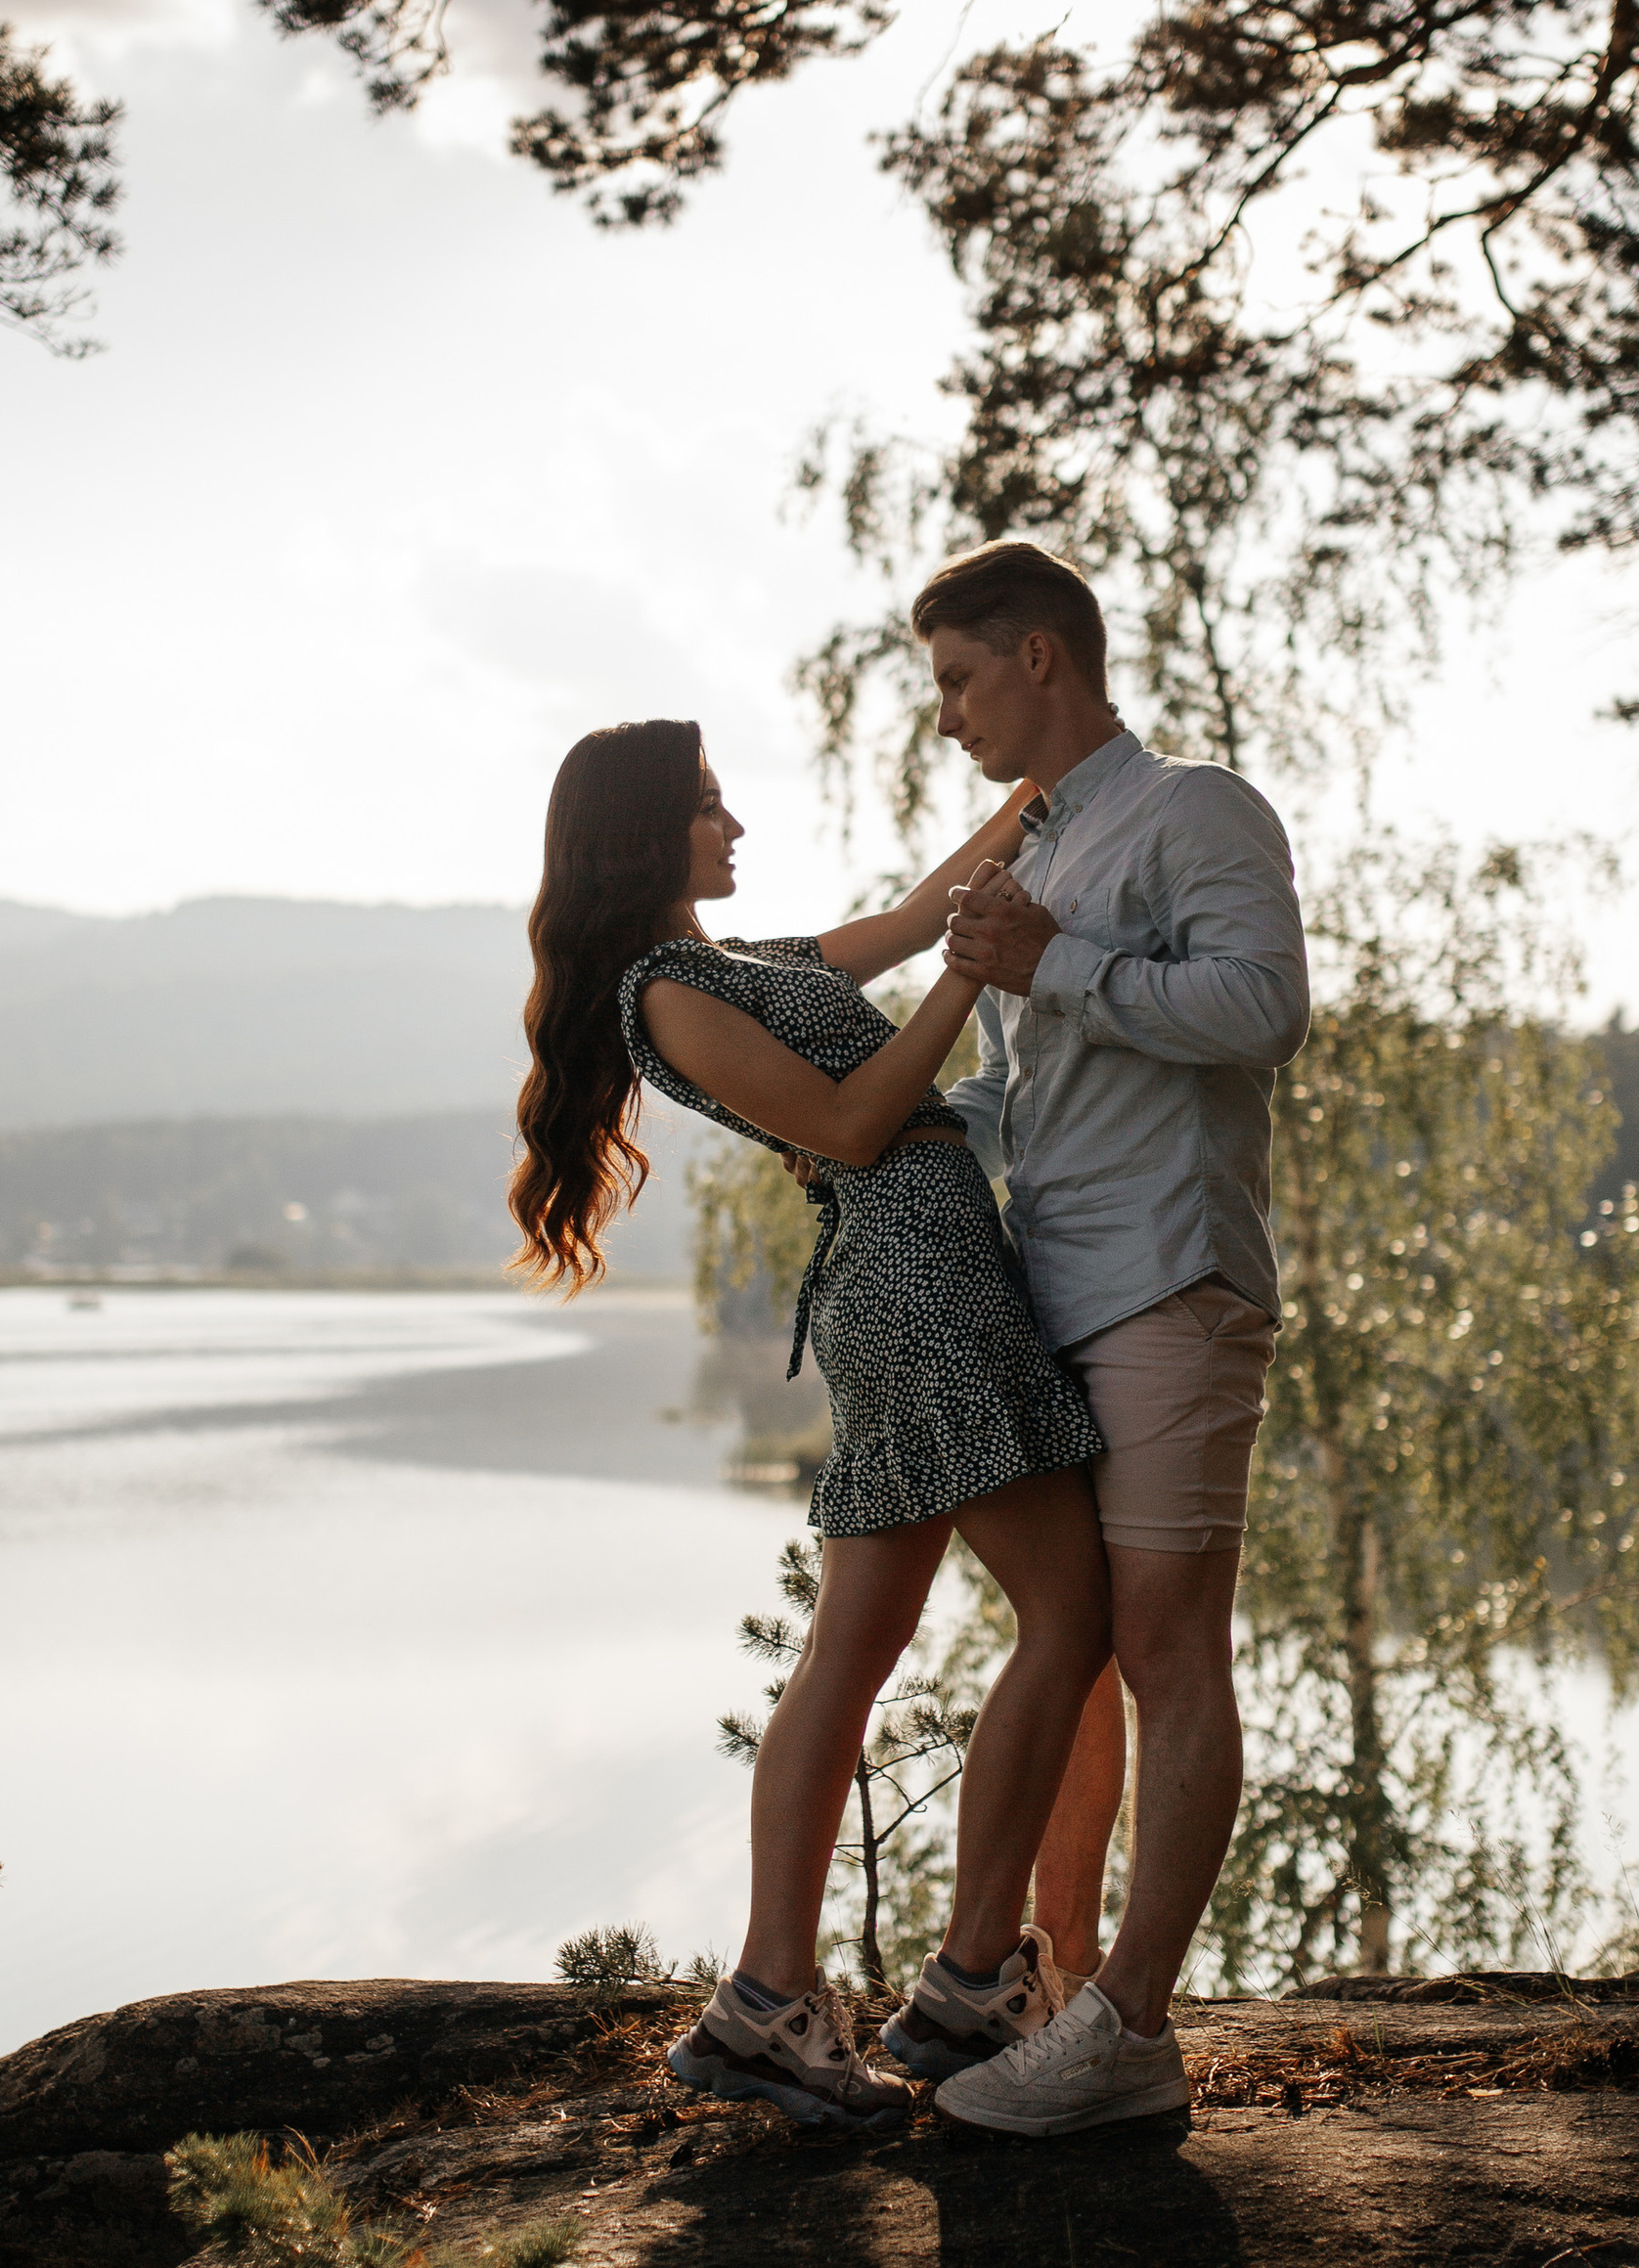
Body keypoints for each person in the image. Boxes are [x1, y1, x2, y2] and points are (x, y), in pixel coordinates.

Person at [508, 716, 1114, 2130]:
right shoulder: (666, 994)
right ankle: (969, 1978)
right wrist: (975, 970)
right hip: (915, 1293)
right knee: (1073, 1620)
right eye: (710, 809)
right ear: (644, 832)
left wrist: (1048, 788)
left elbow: (908, 920)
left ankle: (771, 2005)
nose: (734, 828)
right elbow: (846, 1125)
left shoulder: (745, 966)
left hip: (921, 1284)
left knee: (849, 1654)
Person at [896, 539, 1311, 2137]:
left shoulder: (1197, 808)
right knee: (1068, 1648)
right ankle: (1049, 1989)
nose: (949, 718)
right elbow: (1042, 1092)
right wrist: (898, 1125)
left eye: (958, 679)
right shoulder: (1040, 839)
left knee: (1164, 1650)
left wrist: (1046, 963)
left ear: (1041, 657)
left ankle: (1131, 2027)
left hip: (1170, 1283)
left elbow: (1264, 1008)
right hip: (1052, 1289)